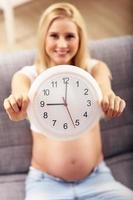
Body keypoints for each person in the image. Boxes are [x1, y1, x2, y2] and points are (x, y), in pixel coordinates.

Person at [3, 2, 133, 200]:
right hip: (45, 185)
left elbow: (103, 85)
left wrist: (108, 98)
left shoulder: (94, 69)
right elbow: (19, 91)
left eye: (70, 36)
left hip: (98, 180)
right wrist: (18, 106)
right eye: (54, 35)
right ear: (43, 38)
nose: (62, 44)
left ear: (80, 39)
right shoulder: (27, 76)